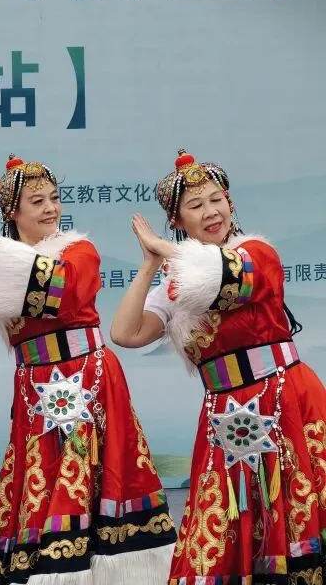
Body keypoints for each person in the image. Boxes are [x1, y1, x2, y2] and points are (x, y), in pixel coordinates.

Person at [0, 156, 176, 584]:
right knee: (40, 481)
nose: (50, 208)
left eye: (54, 198)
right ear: (13, 212)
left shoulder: (77, 251)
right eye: (37, 201)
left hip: (87, 379)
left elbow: (58, 293)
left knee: (91, 477)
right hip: (34, 385)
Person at [109, 149, 326, 583]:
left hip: (285, 399)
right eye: (196, 205)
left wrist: (166, 250)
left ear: (230, 202)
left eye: (216, 200)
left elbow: (219, 278)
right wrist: (150, 264)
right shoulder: (173, 285)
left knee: (298, 512)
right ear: (178, 219)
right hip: (226, 415)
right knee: (222, 523)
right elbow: (125, 333)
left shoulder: (255, 252)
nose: (211, 212)